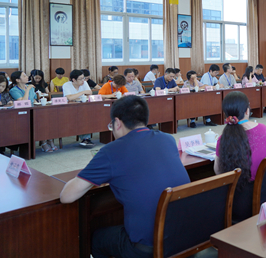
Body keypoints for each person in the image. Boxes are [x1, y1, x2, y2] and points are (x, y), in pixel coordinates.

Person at [60, 96, 190, 258]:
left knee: (97, 239)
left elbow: (67, 196)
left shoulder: (111, 151)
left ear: (117, 122)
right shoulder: (167, 139)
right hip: (184, 239)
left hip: (148, 249)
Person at [215, 91, 266, 182]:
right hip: (264, 184)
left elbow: (218, 170)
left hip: (238, 188)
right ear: (247, 111)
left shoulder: (223, 138)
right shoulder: (263, 129)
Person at [11, 71, 55, 151]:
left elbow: (34, 100)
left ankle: (49, 139)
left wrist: (38, 104)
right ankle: (43, 143)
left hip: (33, 111)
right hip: (22, 114)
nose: (27, 77)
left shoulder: (30, 87)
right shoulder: (14, 90)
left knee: (48, 118)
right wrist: (27, 89)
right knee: (40, 121)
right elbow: (23, 103)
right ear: (18, 80)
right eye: (24, 76)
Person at [63, 70, 95, 148]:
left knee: (87, 115)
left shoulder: (84, 83)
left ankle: (86, 138)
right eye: (80, 79)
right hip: (69, 109)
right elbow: (69, 97)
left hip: (82, 107)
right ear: (73, 80)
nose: (83, 80)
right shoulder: (66, 85)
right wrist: (83, 92)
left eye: (83, 78)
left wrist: (76, 96)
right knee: (83, 116)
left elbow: (90, 92)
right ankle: (86, 138)